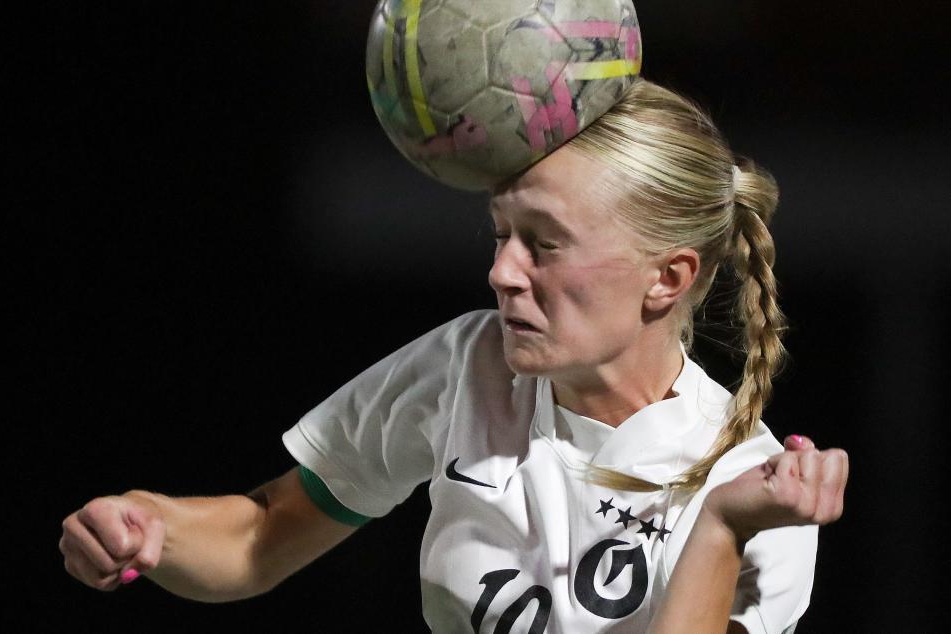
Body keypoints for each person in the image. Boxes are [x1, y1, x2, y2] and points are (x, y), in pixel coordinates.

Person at [60, 79, 848, 633]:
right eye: (502, 235)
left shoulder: (752, 489)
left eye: (543, 245)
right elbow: (262, 537)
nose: (502, 272)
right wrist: (150, 525)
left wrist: (719, 528)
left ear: (666, 278)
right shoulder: (469, 366)